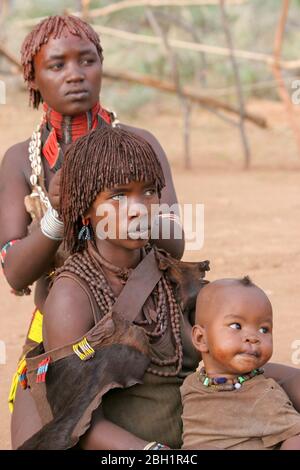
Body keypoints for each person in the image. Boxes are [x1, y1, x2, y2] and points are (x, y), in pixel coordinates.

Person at [0, 15, 183, 443]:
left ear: (102, 64)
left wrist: (123, 197)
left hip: (149, 316)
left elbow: (176, 240)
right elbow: (13, 271)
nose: (76, 75)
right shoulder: (19, 162)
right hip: (63, 329)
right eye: (57, 65)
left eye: (87, 60)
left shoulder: (140, 144)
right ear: (33, 77)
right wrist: (60, 215)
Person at [17, 126, 209, 450]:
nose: (138, 208)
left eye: (149, 191)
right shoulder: (71, 297)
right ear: (86, 208)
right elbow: (80, 423)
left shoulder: (173, 277)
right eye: (118, 196)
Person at [180, 277, 300, 450]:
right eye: (236, 326)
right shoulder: (191, 385)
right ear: (201, 338)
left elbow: (295, 434)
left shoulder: (263, 394)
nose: (253, 337)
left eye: (264, 329)